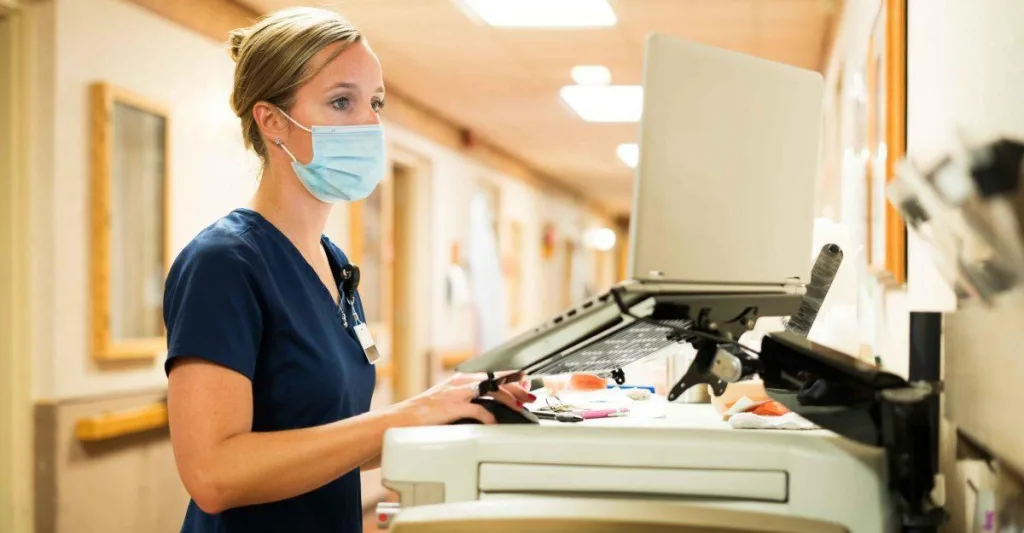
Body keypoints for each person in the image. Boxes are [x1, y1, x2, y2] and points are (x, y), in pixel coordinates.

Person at [163, 7, 532, 533]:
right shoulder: (224, 263)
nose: (370, 123)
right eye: (342, 102)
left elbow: (319, 444)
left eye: (375, 102)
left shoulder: (334, 265)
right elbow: (213, 475)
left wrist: (444, 409)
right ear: (272, 121)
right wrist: (404, 417)